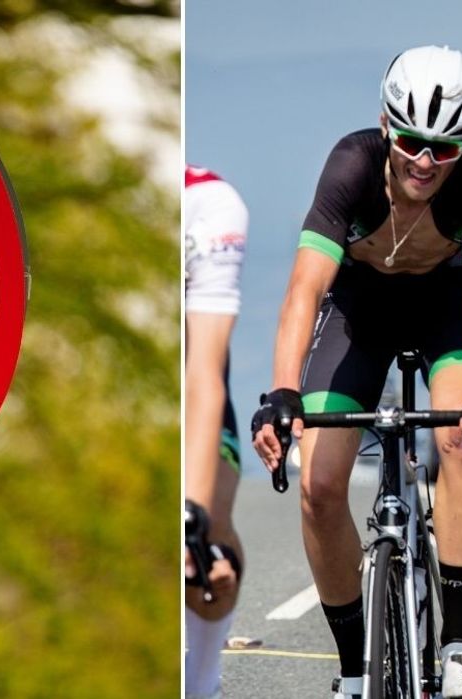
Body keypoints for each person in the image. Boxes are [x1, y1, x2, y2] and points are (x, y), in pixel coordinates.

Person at [250, 45, 462, 699]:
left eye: (444, 149)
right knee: (318, 485)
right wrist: (282, 391)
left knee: (460, 440)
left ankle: (458, 644)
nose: (424, 161)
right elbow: (304, 290)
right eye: (409, 142)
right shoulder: (350, 165)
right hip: (360, 313)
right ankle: (353, 669)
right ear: (384, 125)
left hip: (446, 311)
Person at [184, 165, 248, 699]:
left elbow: (204, 374)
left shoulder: (209, 201)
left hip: (192, 379)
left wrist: (194, 514)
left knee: (211, 533)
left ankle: (202, 684)